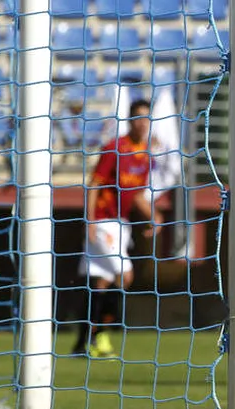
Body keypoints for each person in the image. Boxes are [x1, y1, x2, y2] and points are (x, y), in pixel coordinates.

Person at [74, 99, 164, 357]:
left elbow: (136, 195)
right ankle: (100, 336)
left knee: (100, 283)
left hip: (121, 224)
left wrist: (154, 216)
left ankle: (82, 343)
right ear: (130, 120)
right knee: (125, 276)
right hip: (103, 223)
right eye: (138, 117)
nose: (143, 123)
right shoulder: (114, 149)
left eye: (147, 118)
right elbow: (93, 184)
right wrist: (89, 219)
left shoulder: (144, 155)